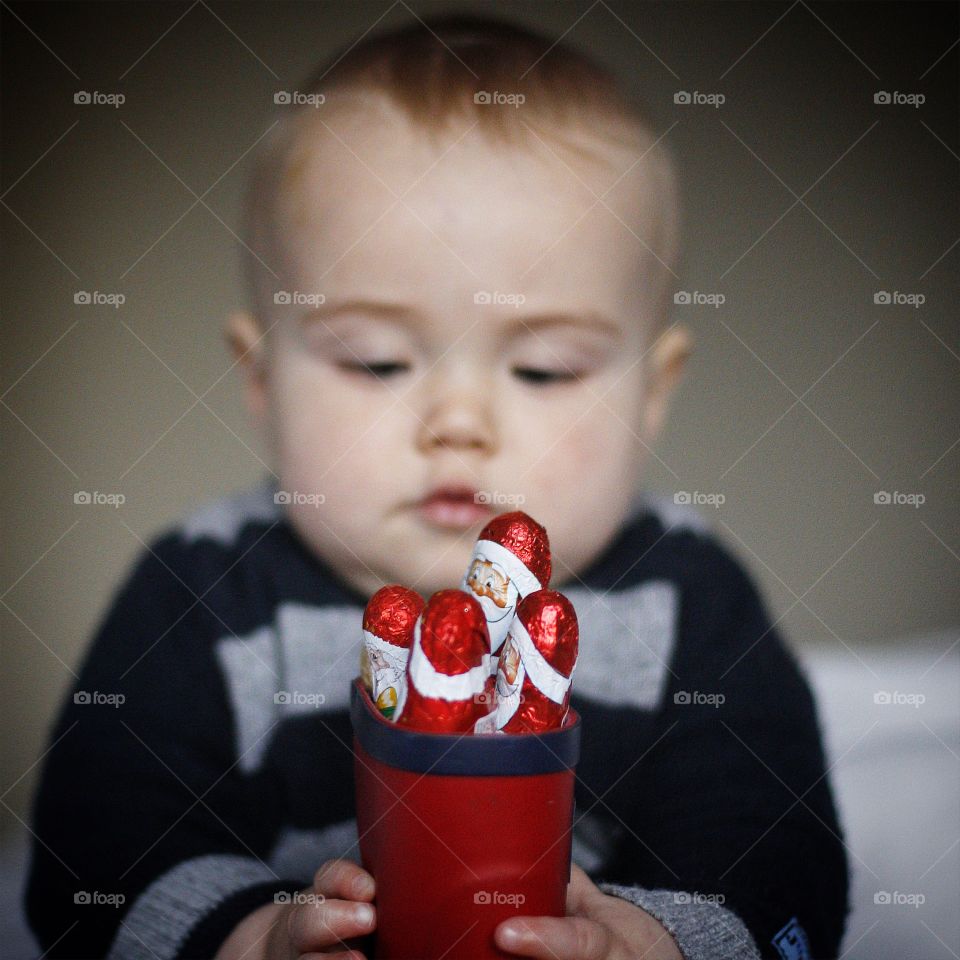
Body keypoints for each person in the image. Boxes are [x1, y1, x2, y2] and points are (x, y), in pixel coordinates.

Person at [25, 14, 848, 960]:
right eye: (376, 362)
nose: (458, 422)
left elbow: (781, 854)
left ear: (652, 393)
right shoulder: (202, 595)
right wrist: (243, 940)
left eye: (544, 370)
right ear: (262, 379)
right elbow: (89, 857)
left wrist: (663, 941)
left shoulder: (690, 604)